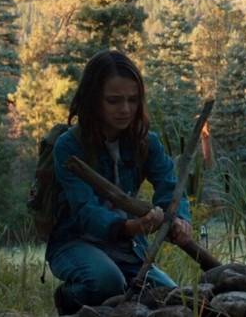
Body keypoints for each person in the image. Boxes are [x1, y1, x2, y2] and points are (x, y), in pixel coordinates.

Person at [47, 50, 192, 315]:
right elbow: (85, 211)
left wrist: (179, 218)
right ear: (93, 100)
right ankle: (68, 299)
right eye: (113, 101)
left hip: (128, 250)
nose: (125, 109)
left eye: (132, 100)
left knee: (173, 298)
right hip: (74, 243)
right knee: (107, 282)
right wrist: (127, 227)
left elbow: (169, 186)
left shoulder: (146, 142)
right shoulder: (68, 146)